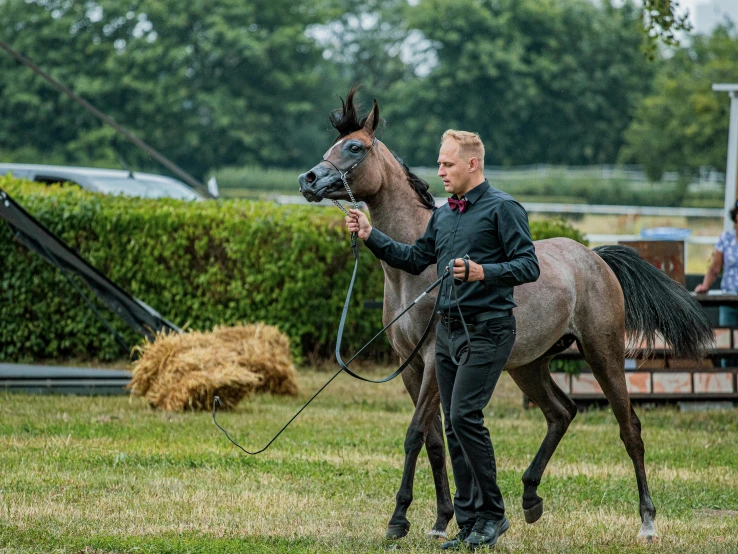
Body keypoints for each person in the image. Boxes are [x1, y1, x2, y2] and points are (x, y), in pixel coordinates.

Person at [346, 130, 540, 549]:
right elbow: (415, 259)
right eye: (439, 163)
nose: (440, 171)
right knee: (452, 424)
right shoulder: (445, 215)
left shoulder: (503, 209)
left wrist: (482, 272)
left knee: (466, 417)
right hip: (448, 330)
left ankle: (494, 515)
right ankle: (469, 523)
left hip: (488, 329)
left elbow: (528, 266)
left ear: (473, 165)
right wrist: (370, 236)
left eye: (447, 164)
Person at [695, 203, 738, 327]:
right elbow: (714, 267)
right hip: (728, 298)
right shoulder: (726, 238)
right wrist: (705, 285)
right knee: (727, 339)